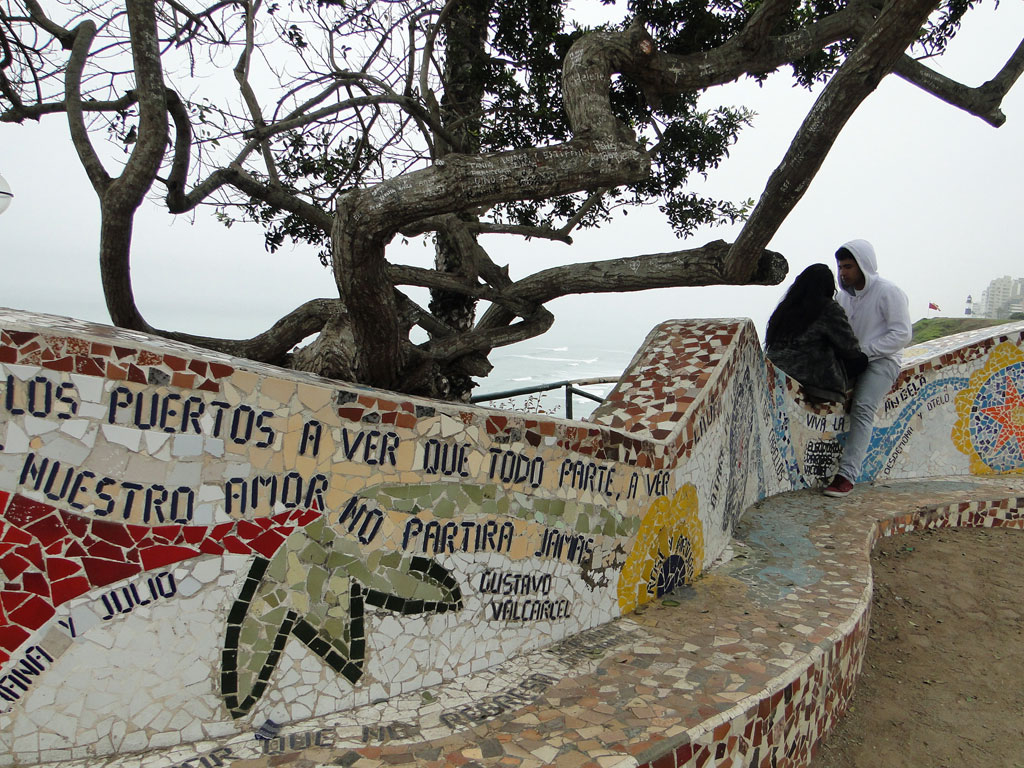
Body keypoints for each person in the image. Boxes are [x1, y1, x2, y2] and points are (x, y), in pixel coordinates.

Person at [823, 239, 912, 497]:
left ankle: (847, 476)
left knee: (862, 407)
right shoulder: (843, 297)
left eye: (848, 266)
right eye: (840, 267)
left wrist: (866, 353)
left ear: (863, 265)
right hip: (852, 360)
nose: (843, 272)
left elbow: (902, 334)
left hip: (883, 361)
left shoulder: (888, 292)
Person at [765, 263, 868, 403]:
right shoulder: (827, 308)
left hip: (776, 370)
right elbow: (851, 349)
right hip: (813, 379)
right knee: (861, 361)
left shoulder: (784, 309)